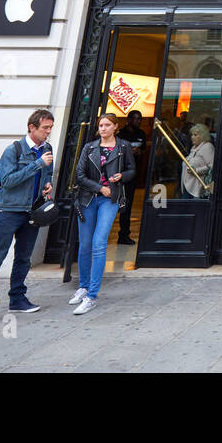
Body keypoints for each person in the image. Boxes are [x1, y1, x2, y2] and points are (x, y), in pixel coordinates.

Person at [0, 109, 55, 327]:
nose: (48, 132)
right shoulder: (14, 150)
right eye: (45, 128)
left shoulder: (47, 149)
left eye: (50, 128)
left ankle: (17, 299)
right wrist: (38, 164)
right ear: (32, 128)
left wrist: (47, 186)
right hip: (10, 211)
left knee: (23, 258)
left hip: (32, 212)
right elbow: (8, 181)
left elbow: (47, 176)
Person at [71, 113, 136, 314]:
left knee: (99, 243)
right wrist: (100, 188)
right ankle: (83, 286)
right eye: (101, 125)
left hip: (111, 199)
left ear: (116, 127)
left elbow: (132, 170)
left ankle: (92, 295)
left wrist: (122, 176)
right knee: (85, 245)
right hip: (88, 198)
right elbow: (79, 175)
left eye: (107, 125)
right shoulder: (89, 147)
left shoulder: (123, 147)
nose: (103, 129)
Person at [115, 109, 146, 245]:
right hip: (118, 174)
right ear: (129, 120)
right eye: (136, 119)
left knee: (127, 206)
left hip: (132, 175)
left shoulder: (141, 134)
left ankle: (124, 234)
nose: (138, 121)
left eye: (140, 119)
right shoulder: (120, 135)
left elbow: (144, 149)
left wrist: (138, 151)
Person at [181, 123, 215, 199]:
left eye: (195, 135)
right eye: (192, 135)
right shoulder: (193, 148)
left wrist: (196, 170)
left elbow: (212, 166)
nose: (192, 137)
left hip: (197, 188)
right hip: (188, 187)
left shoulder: (207, 147)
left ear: (202, 136)